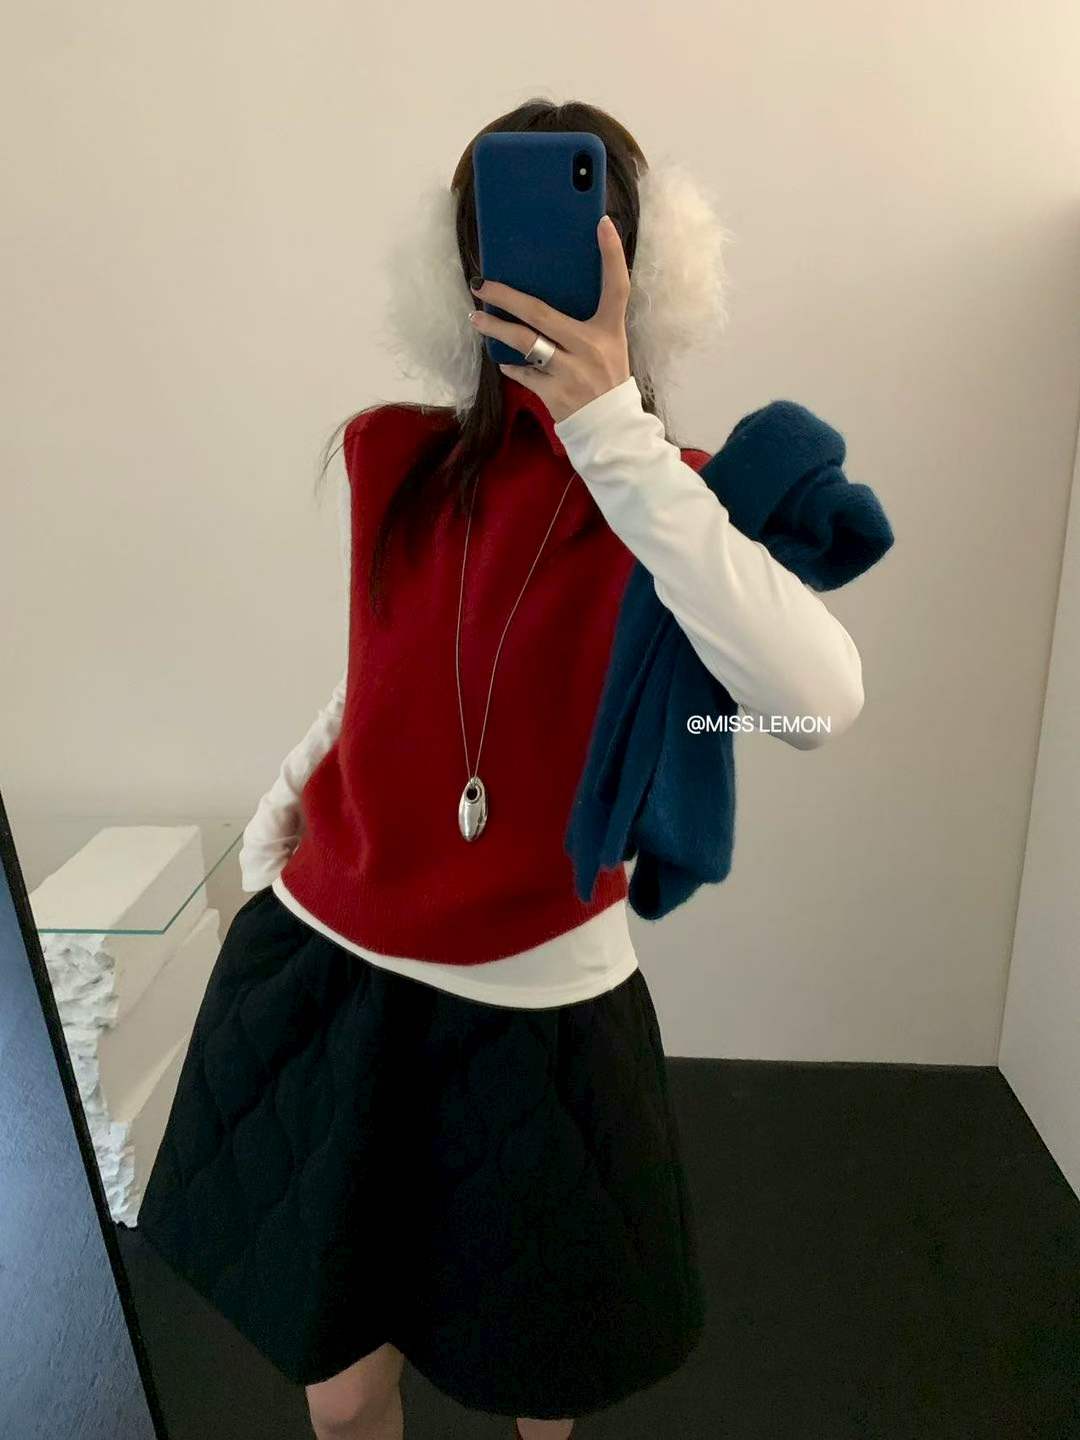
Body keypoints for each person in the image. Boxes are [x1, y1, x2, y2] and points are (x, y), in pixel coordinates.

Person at [137, 97, 865, 1440]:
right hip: (332, 975)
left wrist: (613, 437)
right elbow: (385, 672)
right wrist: (276, 826)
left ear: (640, 270)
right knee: (343, 1394)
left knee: (543, 1391)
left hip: (542, 1014)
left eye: (587, 241)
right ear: (459, 274)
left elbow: (820, 699)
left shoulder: (671, 499)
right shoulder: (395, 457)